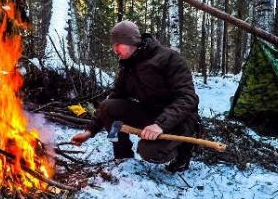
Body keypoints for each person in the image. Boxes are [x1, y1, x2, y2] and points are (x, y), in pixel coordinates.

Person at [71, 20, 201, 172]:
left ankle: (182, 151)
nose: (114, 49)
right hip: (151, 114)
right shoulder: (128, 65)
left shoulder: (170, 58)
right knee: (108, 107)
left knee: (149, 152)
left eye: (117, 44)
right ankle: (123, 156)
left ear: (129, 41)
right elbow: (114, 99)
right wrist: (89, 131)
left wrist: (160, 124)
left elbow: (188, 98)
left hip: (179, 120)